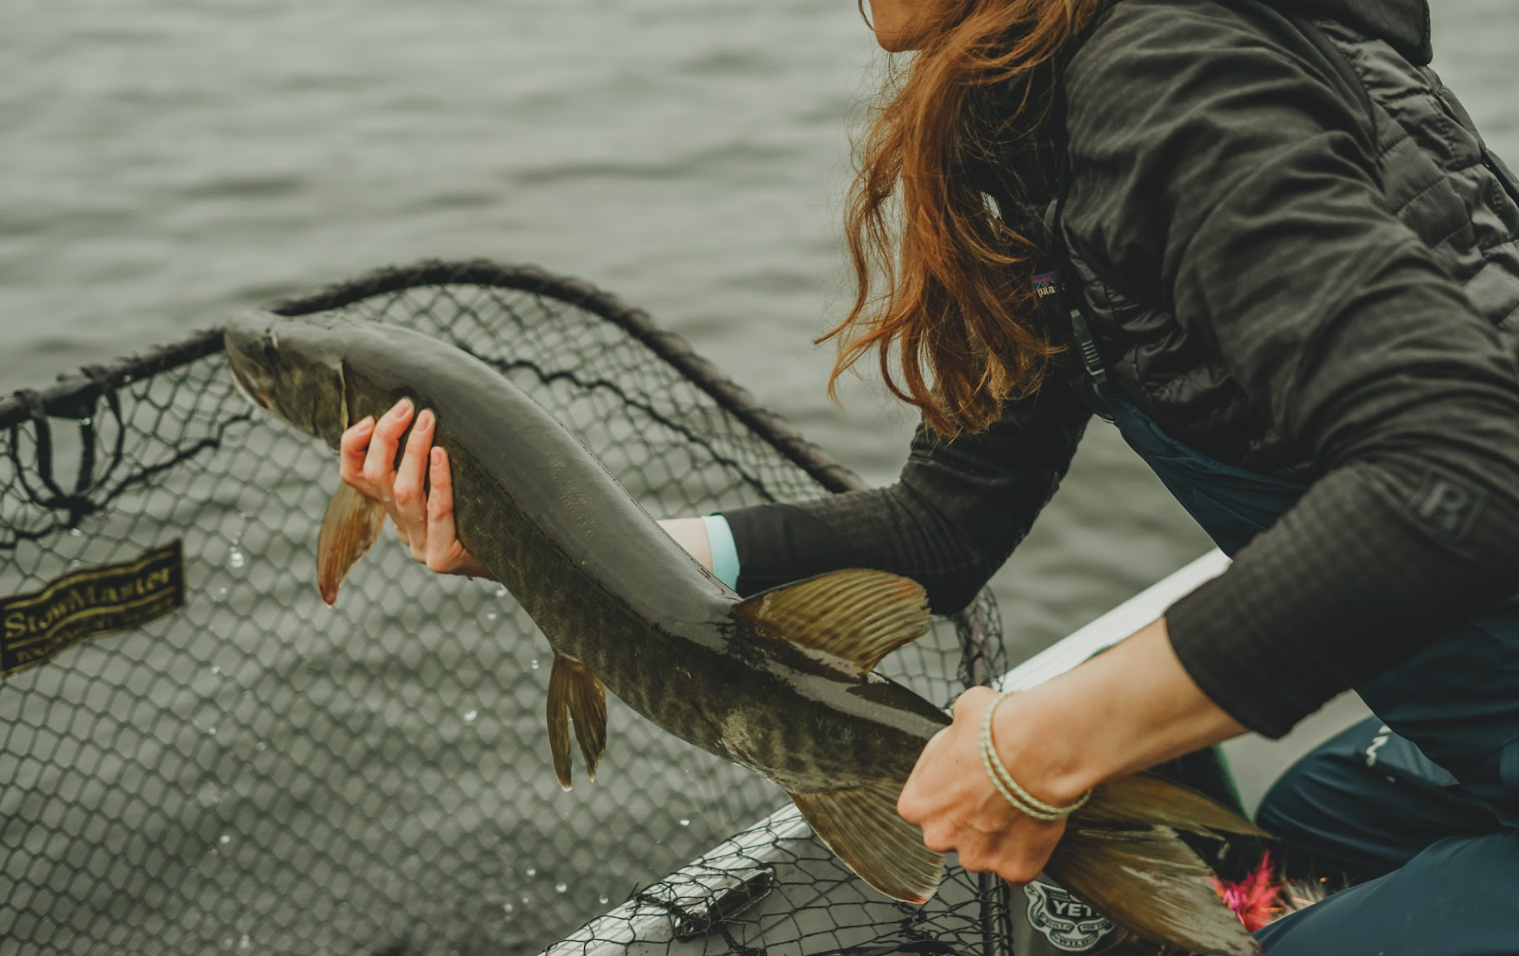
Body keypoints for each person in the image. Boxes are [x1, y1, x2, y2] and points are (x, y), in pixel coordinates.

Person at [338, 0, 1519, 951]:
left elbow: (1456, 469)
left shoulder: (1167, 69)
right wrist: (569, 546)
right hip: (1477, 715)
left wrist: (1040, 745)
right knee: (1307, 818)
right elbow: (943, 527)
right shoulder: (1033, 105)